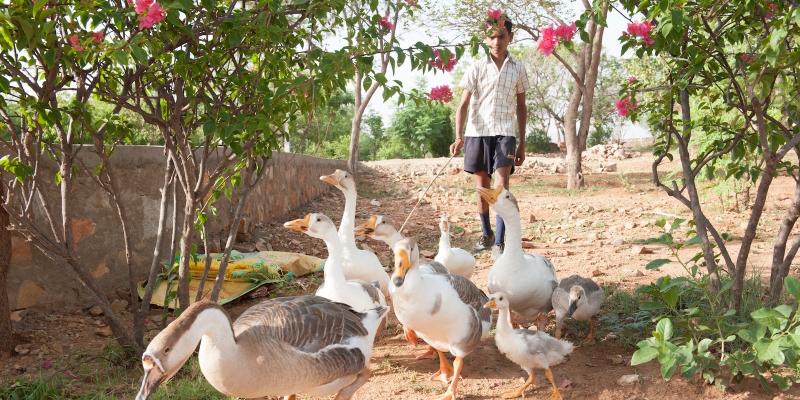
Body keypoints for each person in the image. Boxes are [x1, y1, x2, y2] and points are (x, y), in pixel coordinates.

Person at [449, 11, 529, 256]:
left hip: (505, 133)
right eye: (492, 37)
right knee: (483, 188)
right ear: (486, 39)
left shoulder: (518, 69)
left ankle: (501, 241)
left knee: (502, 186)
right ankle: (486, 234)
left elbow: (521, 106)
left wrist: (522, 143)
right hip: (477, 133)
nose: (497, 42)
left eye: (501, 36)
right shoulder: (476, 67)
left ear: (510, 38)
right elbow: (462, 104)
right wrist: (459, 135)